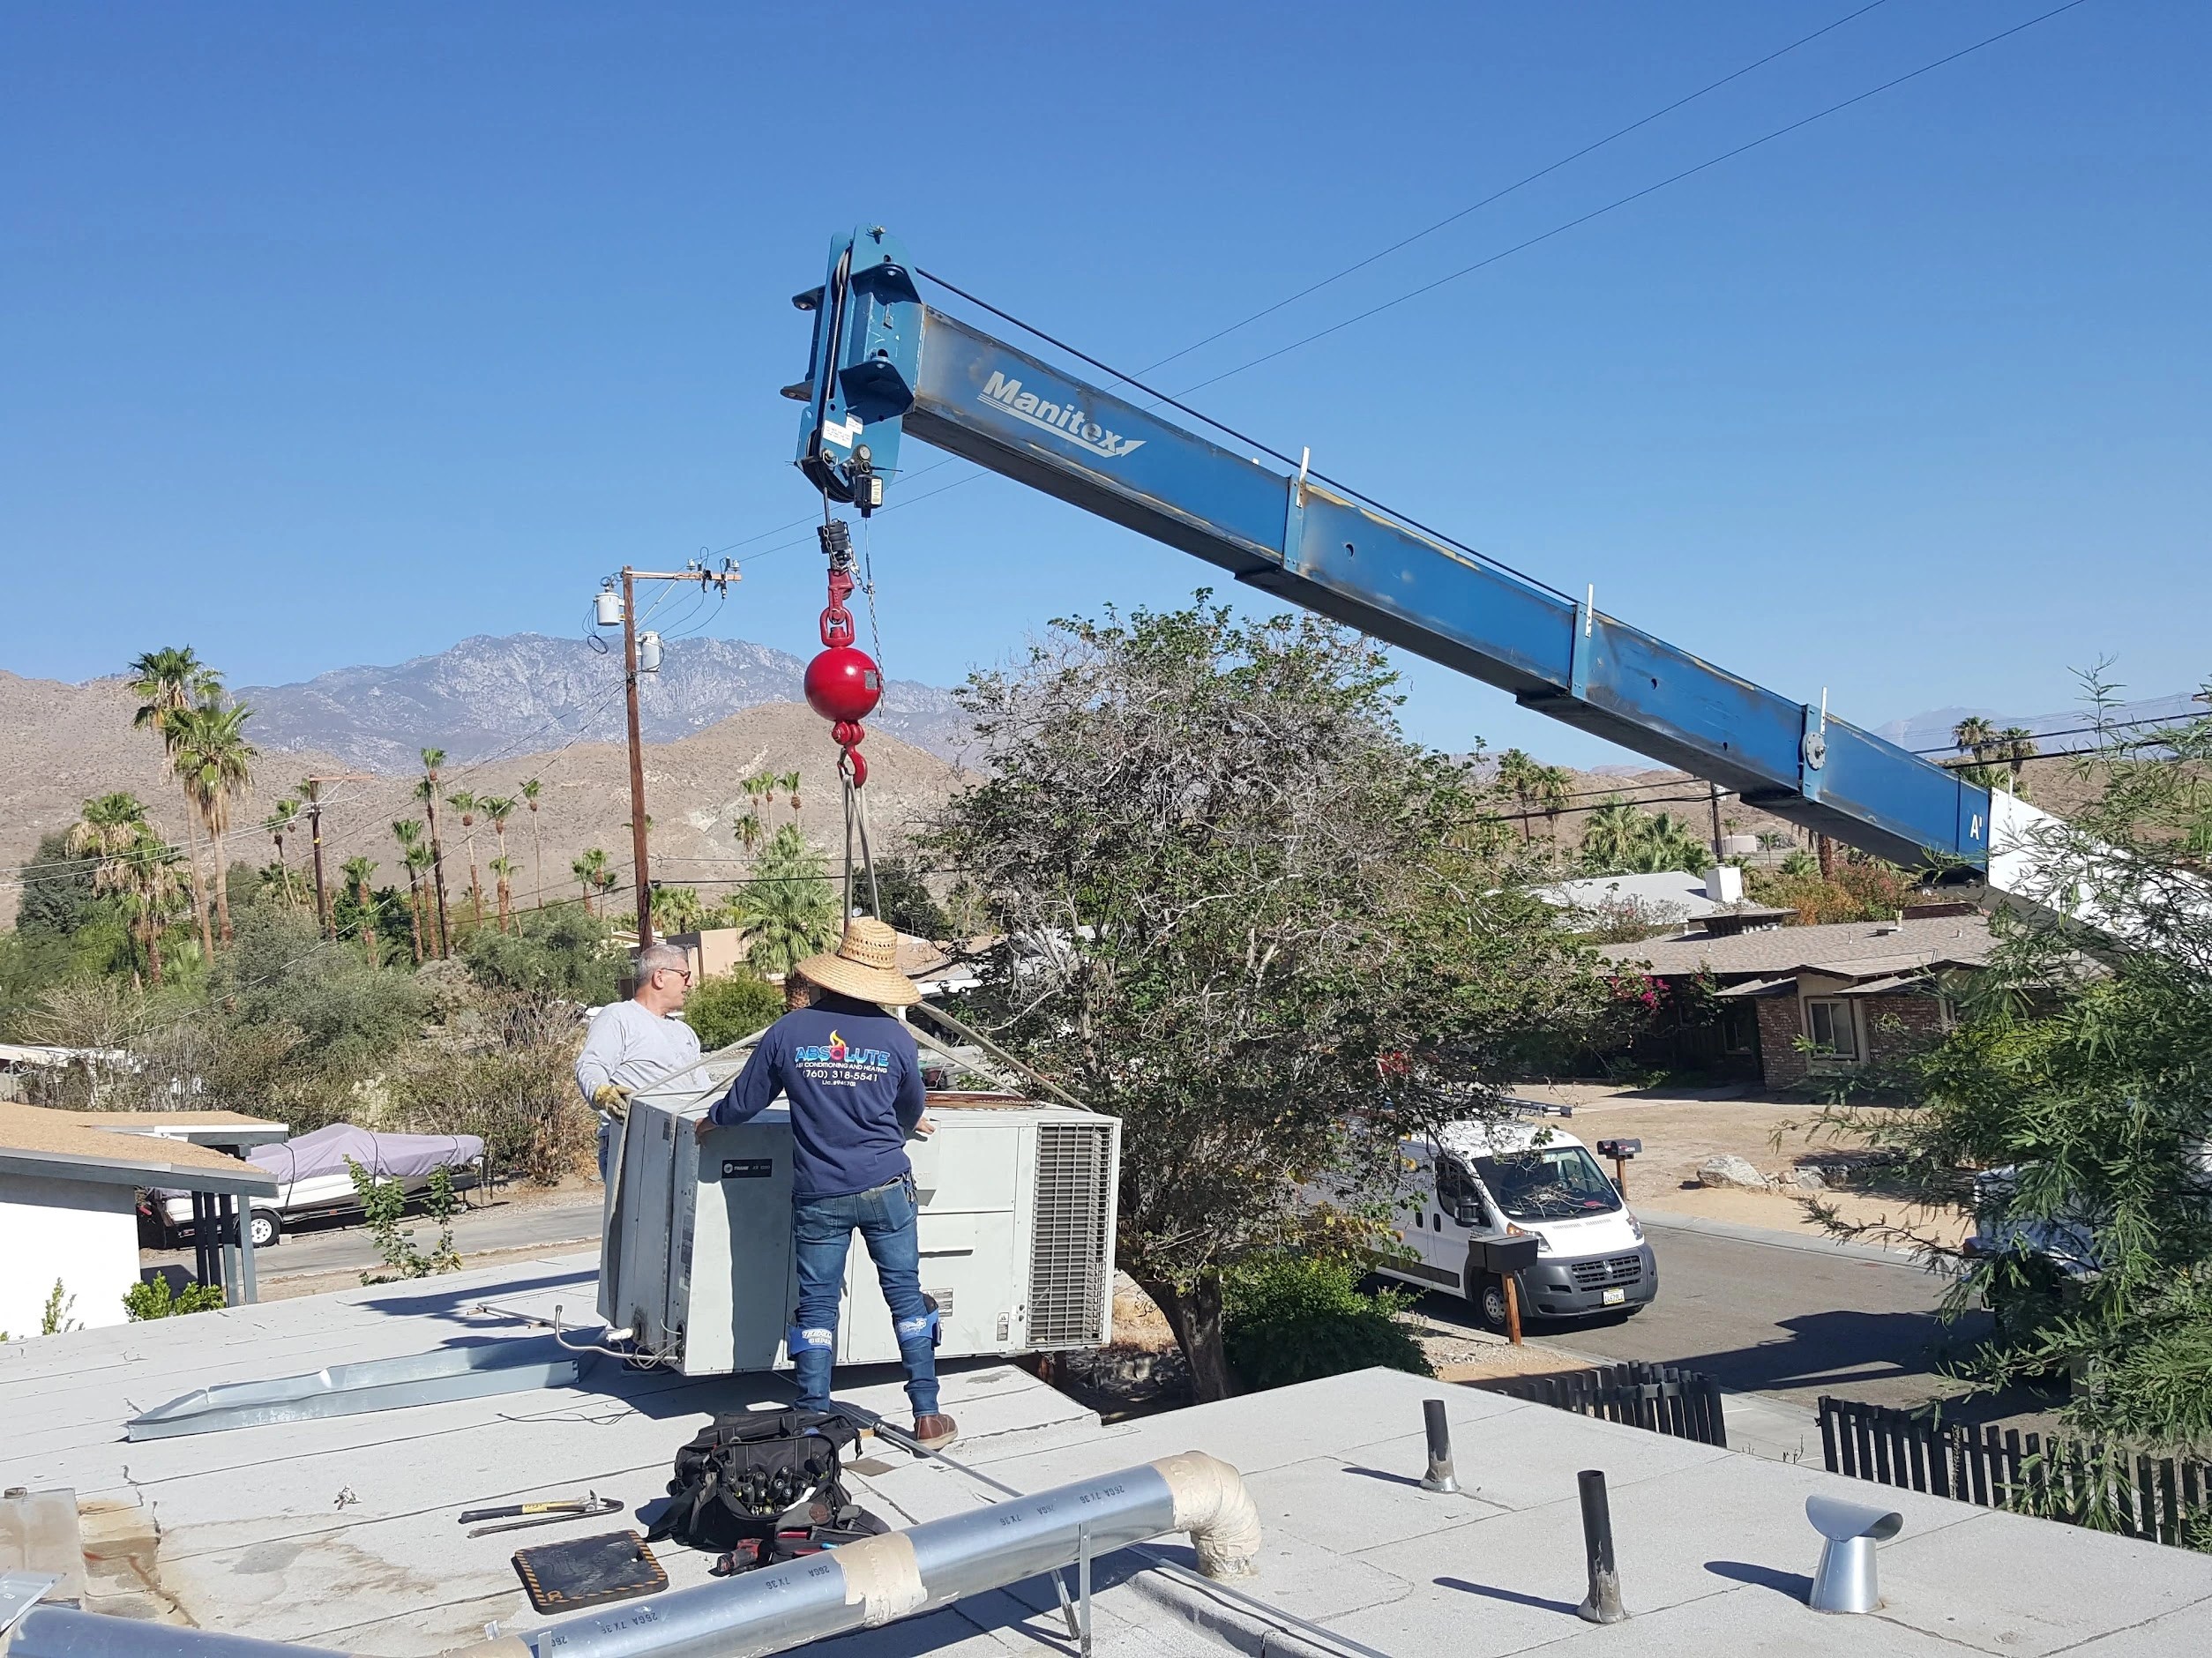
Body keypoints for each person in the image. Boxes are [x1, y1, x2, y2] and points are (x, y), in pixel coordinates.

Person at [708, 916, 955, 1450]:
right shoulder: (895, 1037)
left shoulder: (789, 1032)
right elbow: (910, 1106)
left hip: (819, 1192)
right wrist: (906, 1120)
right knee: (905, 1295)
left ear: (832, 973)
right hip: (886, 1186)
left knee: (817, 1304)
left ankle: (813, 1417)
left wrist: (714, 1120)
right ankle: (928, 1415)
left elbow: (745, 1101)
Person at [576, 941, 702, 1186]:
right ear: (660, 977)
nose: (690, 983)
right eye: (685, 975)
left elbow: (702, 1088)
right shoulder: (618, 1017)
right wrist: (602, 1093)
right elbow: (590, 1065)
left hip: (682, 1144)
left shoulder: (685, 1032)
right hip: (632, 1145)